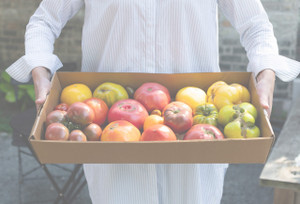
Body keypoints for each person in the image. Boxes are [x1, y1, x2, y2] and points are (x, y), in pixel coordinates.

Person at [6, 0, 300, 203]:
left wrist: (265, 71)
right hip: (113, 136)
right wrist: (40, 69)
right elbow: (45, 20)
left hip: (194, 132)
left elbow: (256, 26)